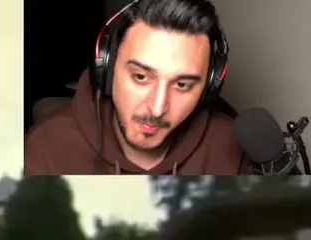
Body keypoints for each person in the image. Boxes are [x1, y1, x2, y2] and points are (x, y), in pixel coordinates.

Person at [24, 0, 248, 175]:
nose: (157, 109)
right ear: (107, 68)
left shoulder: (232, 147)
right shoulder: (46, 144)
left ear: (209, 88)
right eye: (141, 77)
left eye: (182, 85)